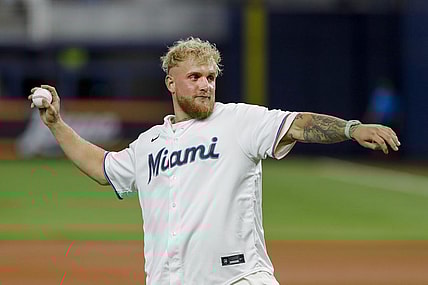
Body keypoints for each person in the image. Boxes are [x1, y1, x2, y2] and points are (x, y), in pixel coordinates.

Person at [28, 37, 400, 285]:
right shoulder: (149, 145)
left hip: (238, 279)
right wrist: (57, 124)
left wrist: (350, 129)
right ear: (171, 84)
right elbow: (103, 167)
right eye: (194, 77)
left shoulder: (239, 121)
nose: (205, 84)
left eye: (210, 77)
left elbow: (299, 124)